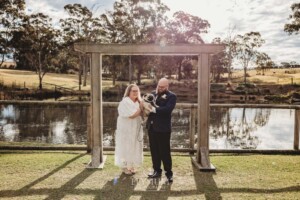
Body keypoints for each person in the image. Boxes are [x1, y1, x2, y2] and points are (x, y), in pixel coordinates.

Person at [146, 78, 177, 183]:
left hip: (163, 129)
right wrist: (145, 105)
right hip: (151, 127)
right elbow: (146, 106)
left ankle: (169, 173)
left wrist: (154, 109)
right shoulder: (152, 94)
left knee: (165, 152)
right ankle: (156, 171)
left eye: (162, 87)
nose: (160, 88)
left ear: (167, 86)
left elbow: (168, 110)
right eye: (159, 86)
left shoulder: (172, 96)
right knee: (154, 151)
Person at [115, 84, 144, 175]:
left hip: (135, 128)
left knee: (134, 146)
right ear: (129, 92)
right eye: (133, 91)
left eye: (137, 91)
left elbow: (143, 113)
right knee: (126, 146)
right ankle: (125, 167)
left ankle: (131, 166)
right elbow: (131, 115)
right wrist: (141, 107)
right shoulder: (125, 102)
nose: (135, 93)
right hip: (126, 128)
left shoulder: (138, 101)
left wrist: (145, 105)